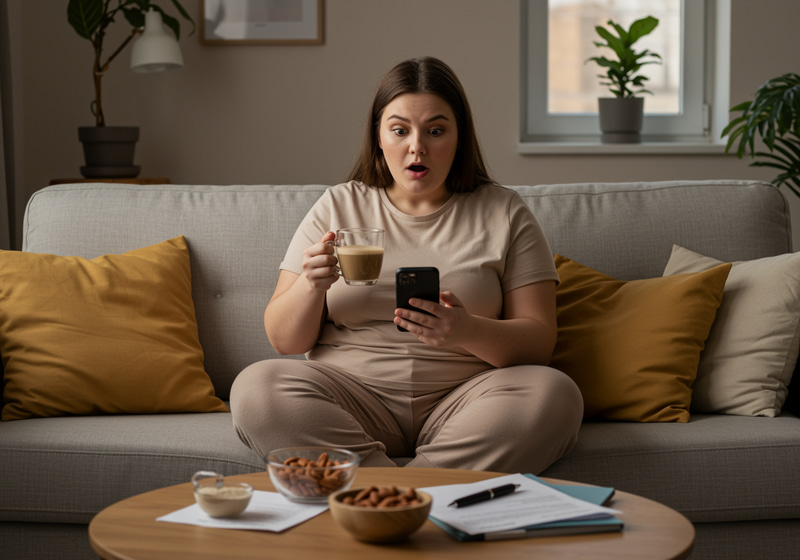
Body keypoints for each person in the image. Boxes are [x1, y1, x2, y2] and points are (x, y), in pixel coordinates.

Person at [230, 57, 583, 473]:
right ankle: (426, 494)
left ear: (459, 137)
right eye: (400, 130)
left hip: (469, 397)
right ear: (378, 137)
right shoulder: (338, 205)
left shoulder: (504, 211)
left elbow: (539, 342)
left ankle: (379, 493)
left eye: (436, 130)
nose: (418, 147)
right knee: (258, 388)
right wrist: (311, 286)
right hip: (351, 394)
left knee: (554, 393)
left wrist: (468, 329)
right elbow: (284, 341)